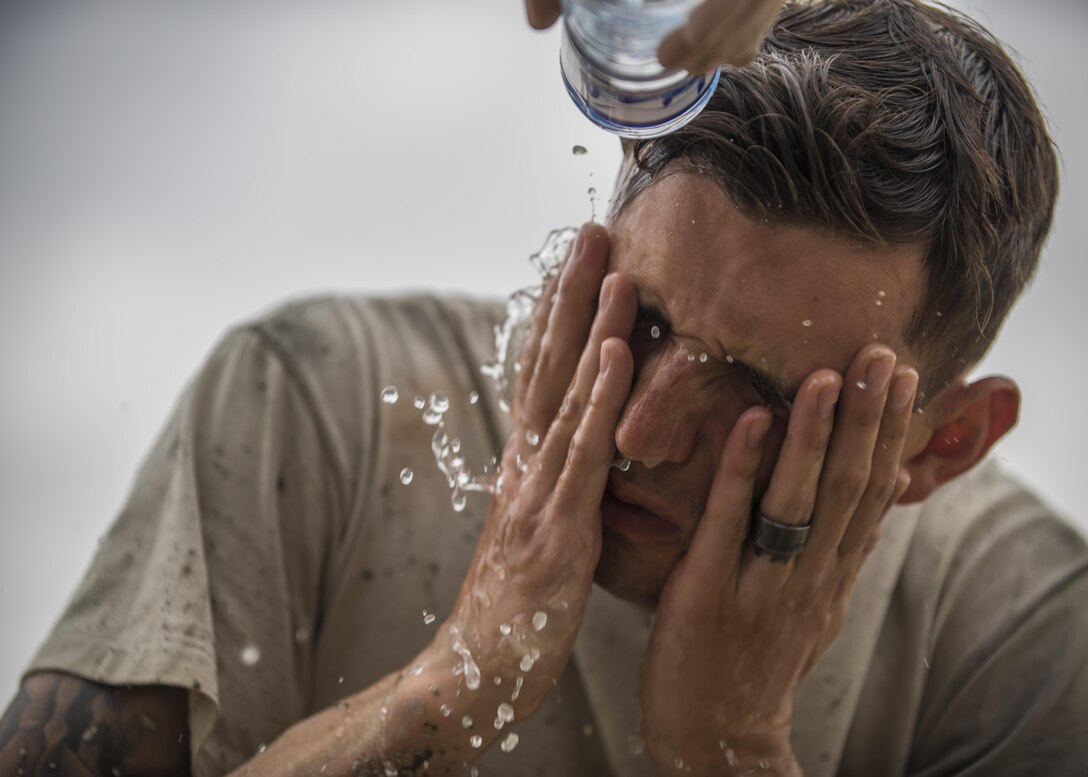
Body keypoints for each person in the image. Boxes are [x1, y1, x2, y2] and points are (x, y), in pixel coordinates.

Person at [2, 0, 1084, 775]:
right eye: (641, 320)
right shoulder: (317, 406)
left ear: (935, 448)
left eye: (759, 394)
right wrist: (456, 685)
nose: (646, 431)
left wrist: (731, 750)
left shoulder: (1016, 621)